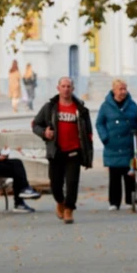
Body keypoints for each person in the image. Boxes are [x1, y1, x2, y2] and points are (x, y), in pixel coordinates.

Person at [32, 77, 93, 224]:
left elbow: (88, 133)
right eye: (63, 86)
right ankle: (60, 201)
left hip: (74, 152)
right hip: (56, 152)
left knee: (72, 183)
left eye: (68, 86)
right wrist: (44, 133)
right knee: (55, 185)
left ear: (72, 89)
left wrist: (87, 155)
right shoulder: (50, 108)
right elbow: (35, 125)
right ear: (58, 88)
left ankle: (69, 210)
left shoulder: (81, 109)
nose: (66, 89)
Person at [96, 79, 137, 211]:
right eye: (120, 89)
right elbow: (99, 123)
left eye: (125, 89)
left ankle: (129, 200)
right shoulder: (105, 106)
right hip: (112, 146)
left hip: (128, 145)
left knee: (129, 174)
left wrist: (136, 134)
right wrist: (105, 137)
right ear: (114, 90)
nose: (123, 92)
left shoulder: (132, 105)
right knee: (114, 176)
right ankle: (114, 202)